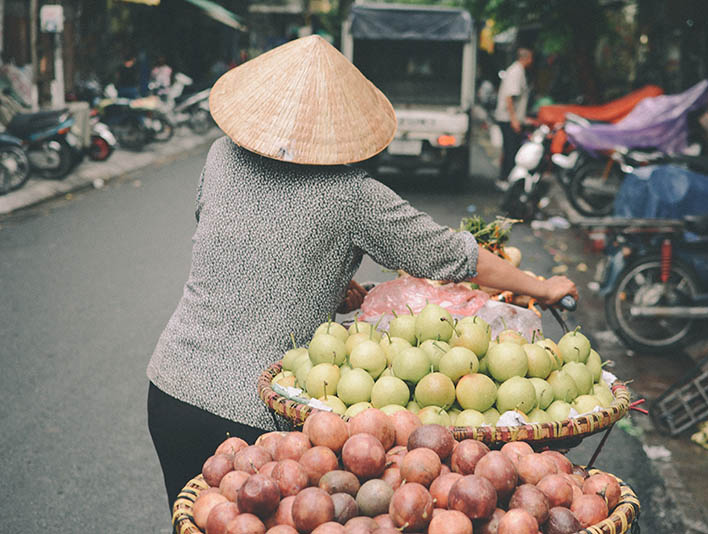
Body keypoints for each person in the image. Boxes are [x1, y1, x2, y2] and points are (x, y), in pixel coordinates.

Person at [146, 36, 577, 511]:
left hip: (171, 389)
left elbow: (229, 248)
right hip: (257, 415)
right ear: (340, 126)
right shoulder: (352, 194)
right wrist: (543, 287)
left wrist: (319, 282)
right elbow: (453, 256)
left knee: (191, 520)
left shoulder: (219, 156)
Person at [494, 48, 534, 191]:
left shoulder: (517, 70)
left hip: (509, 118)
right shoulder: (516, 71)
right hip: (507, 118)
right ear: (526, 58)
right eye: (531, 58)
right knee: (511, 150)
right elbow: (509, 97)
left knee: (509, 149)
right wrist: (514, 120)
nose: (532, 61)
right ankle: (505, 180)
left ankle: (506, 179)